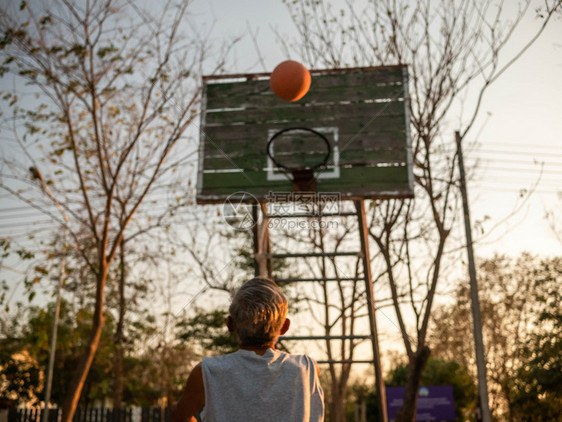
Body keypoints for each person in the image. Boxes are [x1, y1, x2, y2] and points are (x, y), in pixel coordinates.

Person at [172, 277, 324, 422]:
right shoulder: (306, 368)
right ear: (284, 327)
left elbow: (179, 417)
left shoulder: (206, 372)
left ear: (230, 324)